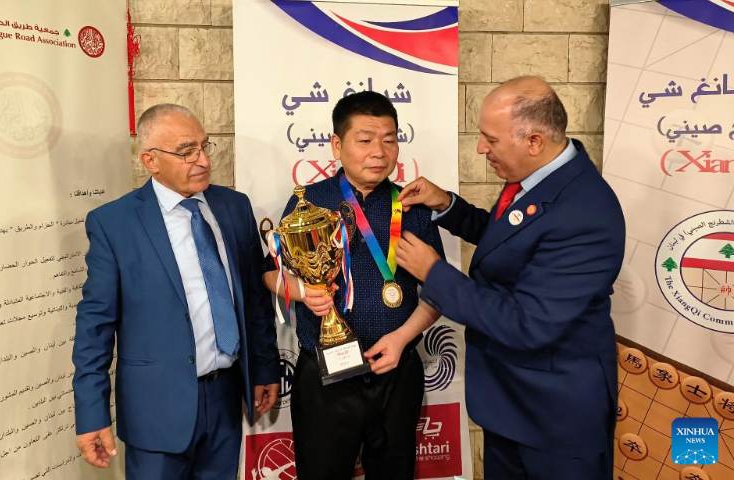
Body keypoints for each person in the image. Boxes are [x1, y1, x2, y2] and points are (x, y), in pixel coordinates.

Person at [395, 76, 624, 479]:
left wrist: (433, 272)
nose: (481, 148)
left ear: (534, 141)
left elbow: (526, 323)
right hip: (511, 404)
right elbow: (512, 244)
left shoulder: (586, 214)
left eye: (490, 139)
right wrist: (448, 206)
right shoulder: (541, 180)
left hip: (555, 420)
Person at [72, 104, 280, 479]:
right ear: (150, 160)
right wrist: (91, 412)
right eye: (187, 152)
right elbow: (95, 327)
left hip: (225, 398)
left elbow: (253, 299)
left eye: (204, 146)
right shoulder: (113, 224)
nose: (202, 160)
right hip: (155, 409)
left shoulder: (233, 207)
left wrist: (264, 366)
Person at [262, 91, 444, 480]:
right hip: (326, 375)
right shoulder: (309, 201)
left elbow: (439, 291)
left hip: (397, 371)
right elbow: (269, 272)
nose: (379, 151)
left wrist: (402, 338)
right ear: (336, 145)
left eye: (389, 139)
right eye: (364, 140)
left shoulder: (413, 206)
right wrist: (302, 293)